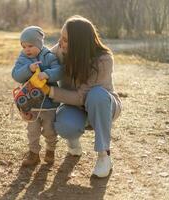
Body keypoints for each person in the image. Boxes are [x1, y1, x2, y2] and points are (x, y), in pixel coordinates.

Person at [48, 15, 122, 177]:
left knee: (97, 95)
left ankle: (104, 155)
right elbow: (42, 58)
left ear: (79, 43)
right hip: (74, 108)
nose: (60, 42)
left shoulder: (103, 59)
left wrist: (50, 92)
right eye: (61, 37)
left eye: (66, 39)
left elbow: (83, 96)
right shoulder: (60, 51)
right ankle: (73, 140)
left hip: (103, 106)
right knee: (65, 125)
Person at [12, 26, 62, 167]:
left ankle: (50, 150)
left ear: (39, 44)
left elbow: (59, 71)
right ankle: (33, 154)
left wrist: (47, 74)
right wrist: (29, 69)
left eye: (30, 46)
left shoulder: (49, 57)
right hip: (30, 104)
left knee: (50, 130)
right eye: (24, 46)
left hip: (49, 104)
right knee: (32, 131)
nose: (27, 49)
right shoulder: (22, 59)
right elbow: (15, 74)